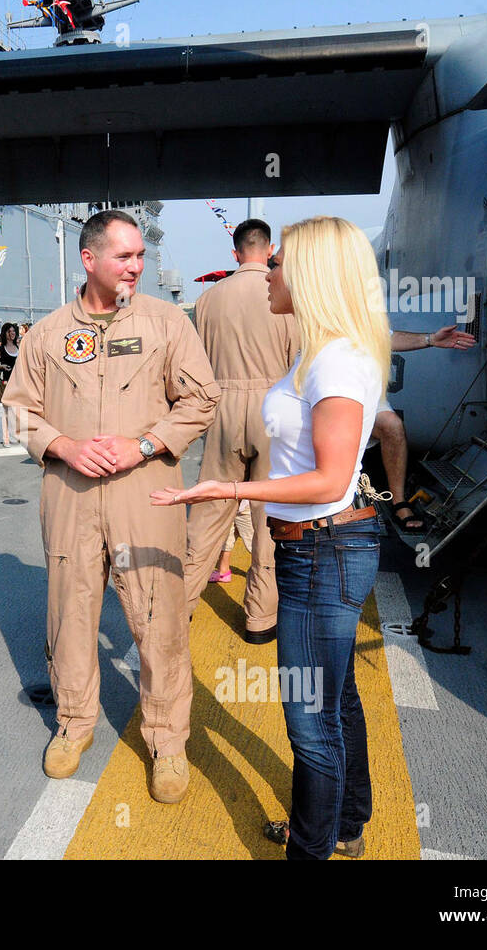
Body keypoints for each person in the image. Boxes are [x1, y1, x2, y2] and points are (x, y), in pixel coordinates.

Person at [153, 215, 389, 860]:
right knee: (336, 702)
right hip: (317, 548)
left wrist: (223, 491)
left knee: (311, 726)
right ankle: (343, 825)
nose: (268, 275)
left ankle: (310, 849)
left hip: (321, 548)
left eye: (280, 264)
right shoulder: (324, 350)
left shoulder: (334, 361)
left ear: (309, 274)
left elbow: (330, 478)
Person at [3, 209, 220, 804]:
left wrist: (143, 444)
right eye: (124, 256)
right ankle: (74, 724)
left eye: (140, 256)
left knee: (159, 618)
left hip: (144, 491)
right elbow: (19, 409)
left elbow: (202, 398)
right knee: (70, 615)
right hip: (70, 494)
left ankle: (168, 740)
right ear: (89, 259)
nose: (136, 266)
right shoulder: (47, 335)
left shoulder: (167, 322)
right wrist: (64, 445)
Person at [183, 219, 297, 645]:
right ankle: (259, 620)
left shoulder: (207, 300)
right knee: (268, 515)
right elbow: (294, 361)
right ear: (268, 251)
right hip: (273, 406)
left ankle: (183, 607)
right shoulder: (282, 293)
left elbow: (198, 363)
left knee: (210, 509)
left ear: (235, 253)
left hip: (223, 405)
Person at [377, 325, 477, 530]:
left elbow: (385, 338)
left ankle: (398, 502)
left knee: (393, 427)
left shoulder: (358, 309)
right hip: (327, 390)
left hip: (359, 392)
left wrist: (431, 339)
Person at [0, 322, 20, 447]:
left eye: (13, 331)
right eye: (9, 331)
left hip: (18, 383)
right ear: (4, 333)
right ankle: (6, 438)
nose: (12, 333)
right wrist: (1, 366)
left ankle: (14, 435)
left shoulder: (18, 346)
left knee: (16, 411)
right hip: (6, 383)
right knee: (6, 411)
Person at [210, 499, 255, 583]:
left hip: (244, 504)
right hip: (226, 505)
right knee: (226, 536)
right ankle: (223, 571)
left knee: (253, 542)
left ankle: (267, 572)